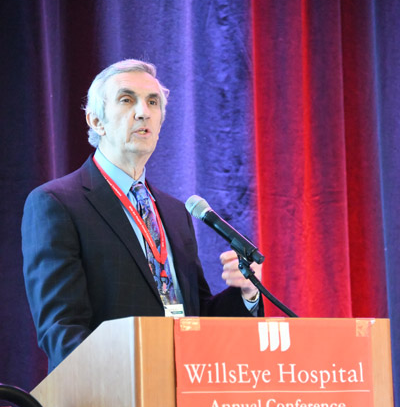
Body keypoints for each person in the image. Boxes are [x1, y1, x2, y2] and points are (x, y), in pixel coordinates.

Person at [22, 59, 263, 372]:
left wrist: (246, 292)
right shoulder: (57, 204)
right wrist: (132, 383)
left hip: (185, 387)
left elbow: (197, 317)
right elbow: (61, 330)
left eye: (153, 102)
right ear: (96, 121)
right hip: (113, 392)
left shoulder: (176, 213)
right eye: (127, 100)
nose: (143, 112)